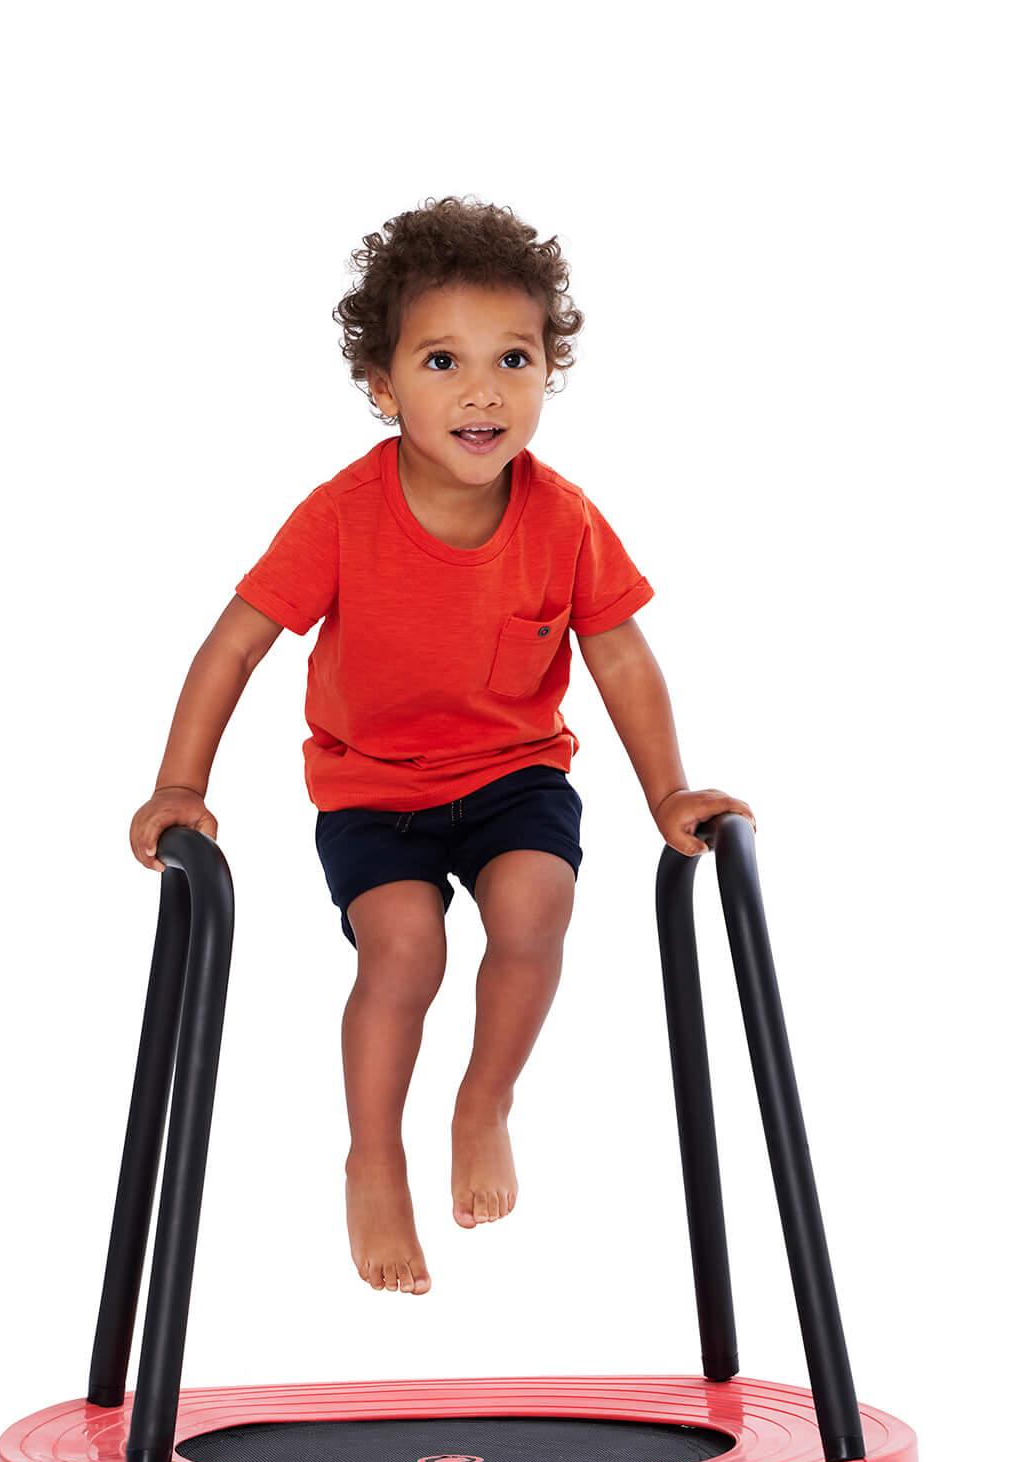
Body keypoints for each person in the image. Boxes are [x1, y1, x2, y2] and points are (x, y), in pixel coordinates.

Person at [128, 196, 753, 1297]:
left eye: (513, 358)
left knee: (534, 909)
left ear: (548, 371)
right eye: (441, 361)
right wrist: (180, 783)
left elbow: (618, 656)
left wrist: (668, 791)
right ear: (383, 388)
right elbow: (236, 642)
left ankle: (484, 1100)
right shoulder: (340, 516)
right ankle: (374, 1155)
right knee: (405, 949)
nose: (482, 391)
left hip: (514, 774)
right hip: (372, 788)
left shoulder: (563, 518)